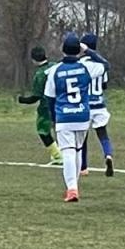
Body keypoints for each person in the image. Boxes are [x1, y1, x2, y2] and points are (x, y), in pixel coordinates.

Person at [43, 31, 94, 202]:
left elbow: (49, 98)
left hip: (64, 117)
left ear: (63, 50)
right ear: (78, 50)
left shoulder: (54, 70)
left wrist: (53, 119)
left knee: (68, 153)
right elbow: (105, 64)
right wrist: (88, 51)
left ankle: (72, 188)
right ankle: (74, 186)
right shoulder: (86, 67)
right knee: (78, 150)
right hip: (82, 116)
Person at [16, 45, 63, 165]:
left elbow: (35, 97)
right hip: (62, 102)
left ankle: (57, 156)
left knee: (43, 131)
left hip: (46, 106)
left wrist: (22, 100)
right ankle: (66, 153)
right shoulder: (54, 66)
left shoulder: (39, 75)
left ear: (33, 60)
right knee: (61, 130)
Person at [78, 32, 113, 177]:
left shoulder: (80, 64)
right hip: (99, 105)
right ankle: (108, 155)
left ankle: (84, 167)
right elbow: (104, 85)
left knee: (83, 138)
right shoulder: (100, 65)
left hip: (85, 106)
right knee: (103, 135)